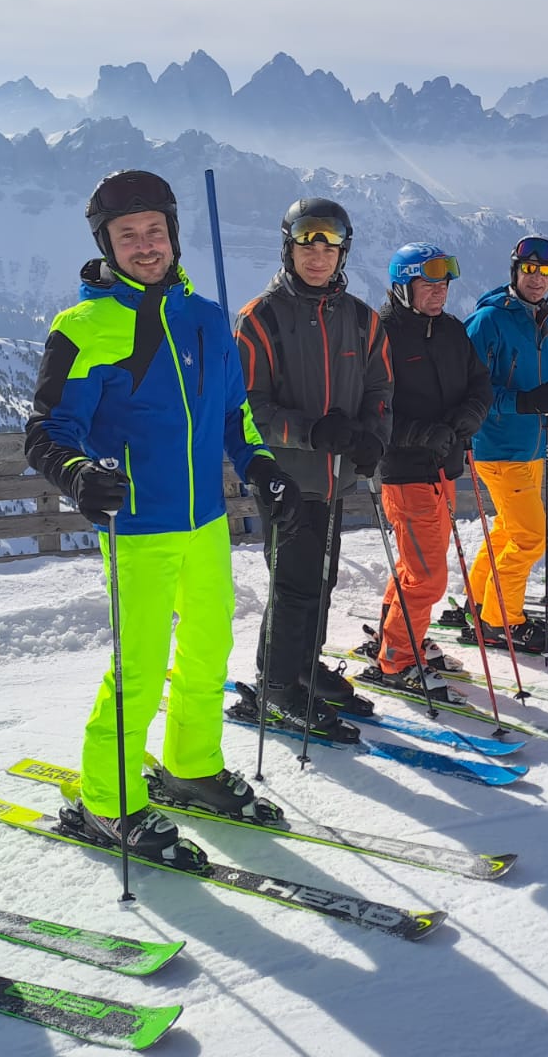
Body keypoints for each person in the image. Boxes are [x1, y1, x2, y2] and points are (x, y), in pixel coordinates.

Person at [25, 169, 301, 859]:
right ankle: (107, 801)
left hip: (206, 522)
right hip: (137, 527)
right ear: (107, 245)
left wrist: (260, 464)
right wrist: (78, 473)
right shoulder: (83, 328)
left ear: (174, 235)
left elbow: (235, 413)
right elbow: (48, 432)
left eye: (155, 231)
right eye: (129, 235)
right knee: (140, 670)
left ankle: (191, 765)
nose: (145, 245)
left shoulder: (207, 319)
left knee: (209, 651)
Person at [234, 198, 393, 732]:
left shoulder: (362, 319)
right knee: (294, 583)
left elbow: (380, 389)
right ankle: (277, 686)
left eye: (329, 246)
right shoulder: (260, 319)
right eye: (307, 243)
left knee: (321, 579)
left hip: (335, 477)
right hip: (285, 478)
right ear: (289, 247)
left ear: (343, 251)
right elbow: (248, 408)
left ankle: (303, 667)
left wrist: (373, 438)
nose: (318, 256)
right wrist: (311, 431)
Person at [359, 243, 490, 691]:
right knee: (429, 578)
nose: (440, 292)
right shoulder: (382, 335)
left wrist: (470, 416)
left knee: (416, 566)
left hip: (444, 468)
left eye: (444, 284)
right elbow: (371, 409)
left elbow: (480, 382)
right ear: (403, 287)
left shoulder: (451, 330)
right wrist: (421, 434)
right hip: (406, 471)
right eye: (428, 284)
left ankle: (394, 633)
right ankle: (397, 660)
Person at [461, 235, 548, 654]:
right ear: (515, 271)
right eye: (528, 269)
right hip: (498, 446)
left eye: (544, 272)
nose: (536, 278)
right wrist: (522, 402)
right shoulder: (488, 321)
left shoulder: (547, 323)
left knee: (507, 530)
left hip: (531, 447)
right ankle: (502, 621)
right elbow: (468, 388)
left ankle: (478, 604)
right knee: (530, 537)